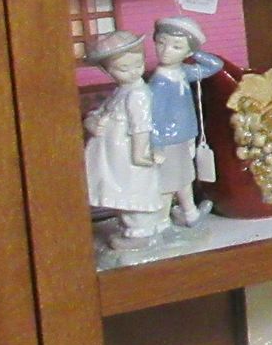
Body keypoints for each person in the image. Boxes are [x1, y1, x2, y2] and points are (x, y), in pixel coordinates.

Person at [83, 30, 168, 238]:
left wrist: (139, 153)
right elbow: (102, 110)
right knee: (122, 189)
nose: (133, 72)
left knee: (132, 189)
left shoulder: (138, 94)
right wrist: (92, 120)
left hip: (127, 152)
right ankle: (134, 227)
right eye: (123, 68)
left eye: (138, 65)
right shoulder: (121, 91)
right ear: (108, 70)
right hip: (114, 153)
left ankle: (142, 229)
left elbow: (141, 126)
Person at [146, 16, 224, 228]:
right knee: (168, 183)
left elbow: (215, 66)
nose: (165, 50)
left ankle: (190, 212)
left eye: (176, 46)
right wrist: (156, 144)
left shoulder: (182, 72)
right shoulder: (158, 83)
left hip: (185, 136)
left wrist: (194, 51)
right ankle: (162, 221)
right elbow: (151, 117)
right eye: (161, 43)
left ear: (187, 52)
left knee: (185, 177)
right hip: (168, 141)